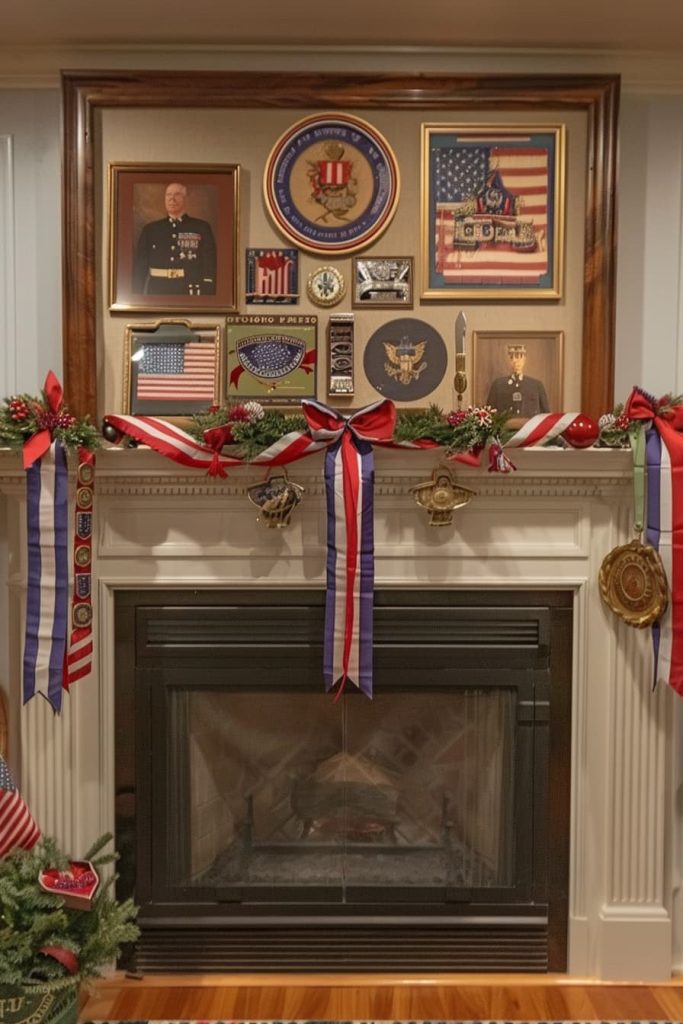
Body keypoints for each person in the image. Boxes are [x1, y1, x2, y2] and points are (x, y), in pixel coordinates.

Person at [132, 182, 217, 296]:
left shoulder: (201, 227)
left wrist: (208, 291)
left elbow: (209, 263)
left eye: (177, 194)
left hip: (188, 290)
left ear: (185, 199)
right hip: (157, 290)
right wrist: (136, 295)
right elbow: (140, 268)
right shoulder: (150, 230)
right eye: (168, 195)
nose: (172, 199)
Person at [486, 343, 550, 417]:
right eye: (512, 358)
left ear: (524, 360)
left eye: (519, 358)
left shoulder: (536, 385)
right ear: (508, 361)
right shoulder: (498, 385)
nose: (516, 362)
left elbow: (545, 415)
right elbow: (489, 414)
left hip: (530, 424)